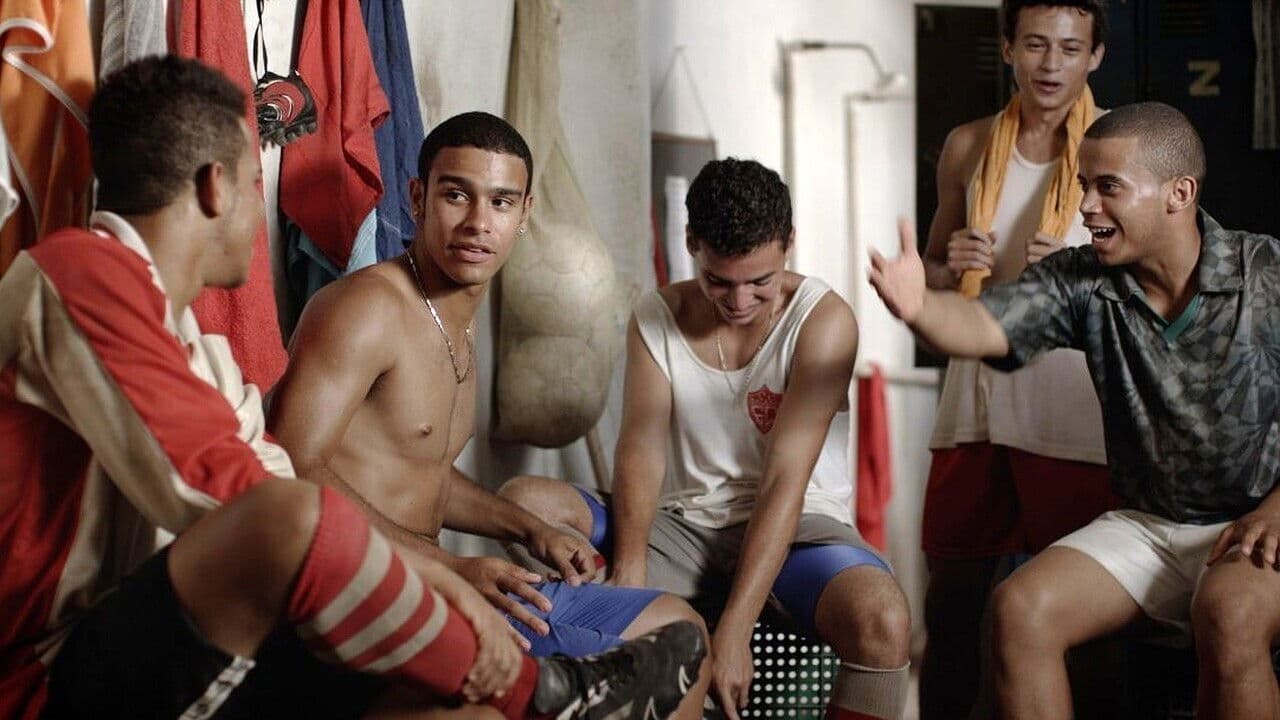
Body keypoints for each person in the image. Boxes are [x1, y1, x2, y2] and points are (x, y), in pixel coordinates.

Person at [0, 56, 704, 720]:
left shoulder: (191, 347)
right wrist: (439, 574)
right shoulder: (81, 272)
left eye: (500, 202)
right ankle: (543, 694)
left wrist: (461, 565)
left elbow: (269, 475)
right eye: (252, 182)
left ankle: (538, 690)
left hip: (169, 634)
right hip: (42, 671)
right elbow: (252, 494)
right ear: (217, 186)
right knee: (289, 518)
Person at [267, 111, 711, 718]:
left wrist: (529, 529)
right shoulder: (366, 308)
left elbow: (420, 468)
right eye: (457, 195)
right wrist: (453, 567)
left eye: (501, 202)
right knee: (649, 672)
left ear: (524, 214)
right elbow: (291, 466)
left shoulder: (461, 322)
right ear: (417, 198)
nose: (479, 222)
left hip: (440, 579)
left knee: (681, 629)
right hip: (369, 590)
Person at [870, 101, 1280, 719]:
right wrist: (919, 306)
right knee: (1019, 609)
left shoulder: (1265, 273)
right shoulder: (1081, 278)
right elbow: (983, 326)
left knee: (1229, 613)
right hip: (1147, 525)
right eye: (1085, 184)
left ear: (1179, 193)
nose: (1085, 205)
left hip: (1253, 522)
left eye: (1108, 187)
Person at [499, 158, 913, 720]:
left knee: (884, 619)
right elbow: (641, 451)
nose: (739, 301)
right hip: (687, 527)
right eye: (719, 281)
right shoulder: (656, 315)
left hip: (799, 531)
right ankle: (660, 642)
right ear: (692, 243)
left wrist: (737, 629)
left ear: (788, 244)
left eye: (760, 282)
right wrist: (630, 571)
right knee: (523, 506)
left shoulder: (823, 322)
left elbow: (784, 483)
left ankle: (679, 630)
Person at [916, 2, 1117, 715]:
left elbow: (1157, 284)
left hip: (1071, 409)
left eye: (1070, 48)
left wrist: (1077, 268)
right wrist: (949, 265)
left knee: (1073, 620)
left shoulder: (1118, 147)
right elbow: (930, 275)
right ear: (1007, 48)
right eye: (1035, 44)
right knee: (952, 606)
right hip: (975, 404)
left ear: (1095, 56)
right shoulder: (969, 145)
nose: (1051, 65)